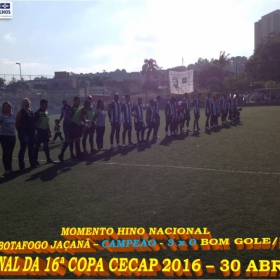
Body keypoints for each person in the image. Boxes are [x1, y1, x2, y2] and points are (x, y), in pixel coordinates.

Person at [58, 96, 89, 162]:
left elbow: (82, 117)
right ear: (74, 101)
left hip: (78, 126)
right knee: (69, 140)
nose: (79, 102)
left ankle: (78, 154)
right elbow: (69, 117)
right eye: (77, 100)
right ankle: (61, 154)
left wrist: (83, 123)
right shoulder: (71, 108)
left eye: (79, 100)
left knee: (77, 140)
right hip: (72, 126)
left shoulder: (80, 108)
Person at [15, 98, 37, 170]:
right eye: (26, 103)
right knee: (23, 149)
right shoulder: (21, 112)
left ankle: (32, 164)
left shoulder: (31, 111)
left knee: (31, 149)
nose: (28, 104)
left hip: (31, 132)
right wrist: (20, 131)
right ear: (23, 104)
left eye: (28, 103)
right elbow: (17, 123)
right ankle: (22, 166)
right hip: (23, 132)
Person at [34, 99, 55, 166]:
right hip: (39, 131)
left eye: (47, 104)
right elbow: (34, 124)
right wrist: (36, 133)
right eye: (45, 104)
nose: (47, 106)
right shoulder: (37, 113)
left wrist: (49, 131)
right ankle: (35, 161)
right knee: (37, 146)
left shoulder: (46, 112)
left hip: (45, 131)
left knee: (46, 145)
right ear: (41, 104)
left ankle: (48, 159)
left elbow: (47, 122)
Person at [0, 102, 16, 175]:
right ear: (3, 108)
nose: (7, 107)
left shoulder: (12, 116)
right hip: (4, 136)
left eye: (8, 106)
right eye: (5, 106)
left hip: (12, 136)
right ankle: (6, 169)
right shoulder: (1, 115)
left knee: (10, 153)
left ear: (10, 107)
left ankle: (10, 168)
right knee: (6, 152)